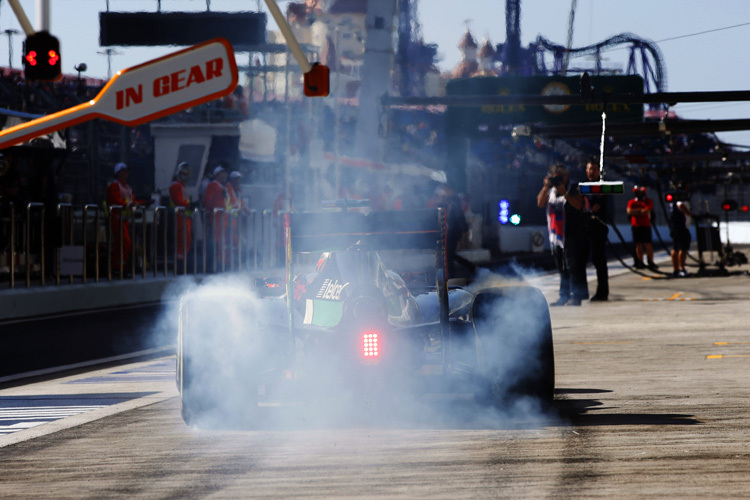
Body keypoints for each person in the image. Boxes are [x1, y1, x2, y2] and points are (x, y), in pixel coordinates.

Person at [565, 159, 610, 304]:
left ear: (599, 171)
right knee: (579, 261)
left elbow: (600, 204)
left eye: (595, 169)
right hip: (582, 228)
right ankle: (581, 293)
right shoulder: (580, 185)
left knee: (599, 261)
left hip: (598, 228)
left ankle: (602, 292)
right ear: (586, 170)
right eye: (590, 168)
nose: (592, 171)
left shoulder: (602, 186)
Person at [537, 164, 571, 306]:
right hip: (556, 237)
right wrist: (546, 186)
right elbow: (540, 203)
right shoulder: (550, 191)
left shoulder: (570, 189)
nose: (558, 179)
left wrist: (561, 188)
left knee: (570, 267)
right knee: (561, 268)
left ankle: (573, 294)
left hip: (569, 234)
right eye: (555, 176)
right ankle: (564, 295)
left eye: (561, 176)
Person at [105, 162, 140, 273]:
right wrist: (130, 205)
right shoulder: (114, 186)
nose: (126, 173)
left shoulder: (127, 187)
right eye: (123, 171)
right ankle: (118, 268)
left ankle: (121, 268)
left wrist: (142, 203)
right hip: (117, 219)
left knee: (123, 244)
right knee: (124, 244)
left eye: (127, 171)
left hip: (124, 220)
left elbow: (132, 200)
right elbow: (116, 200)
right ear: (117, 173)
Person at [203, 165, 231, 270]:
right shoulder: (213, 185)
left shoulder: (222, 186)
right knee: (218, 241)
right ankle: (217, 264)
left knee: (223, 241)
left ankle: (222, 262)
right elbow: (208, 201)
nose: (225, 175)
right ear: (217, 174)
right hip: (217, 219)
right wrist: (217, 209)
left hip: (223, 219)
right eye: (222, 173)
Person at [627, 186, 658, 270]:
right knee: (638, 244)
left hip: (645, 225)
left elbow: (647, 210)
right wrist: (640, 211)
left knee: (648, 244)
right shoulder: (632, 202)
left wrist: (637, 212)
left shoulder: (648, 201)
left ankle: (650, 261)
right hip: (636, 226)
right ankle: (640, 262)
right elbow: (629, 211)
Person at [169, 162, 194, 260]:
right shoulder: (175, 186)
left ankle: (183, 261)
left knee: (186, 240)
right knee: (181, 240)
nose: (185, 176)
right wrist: (189, 205)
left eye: (187, 174)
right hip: (179, 216)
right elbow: (178, 200)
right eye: (183, 173)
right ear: (178, 173)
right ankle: (179, 263)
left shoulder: (182, 186)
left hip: (185, 216)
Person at [668, 185, 692, 277]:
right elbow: (680, 205)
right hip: (681, 228)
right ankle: (681, 268)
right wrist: (690, 214)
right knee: (682, 248)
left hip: (675, 228)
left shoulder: (672, 201)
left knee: (675, 248)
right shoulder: (680, 199)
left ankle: (676, 269)